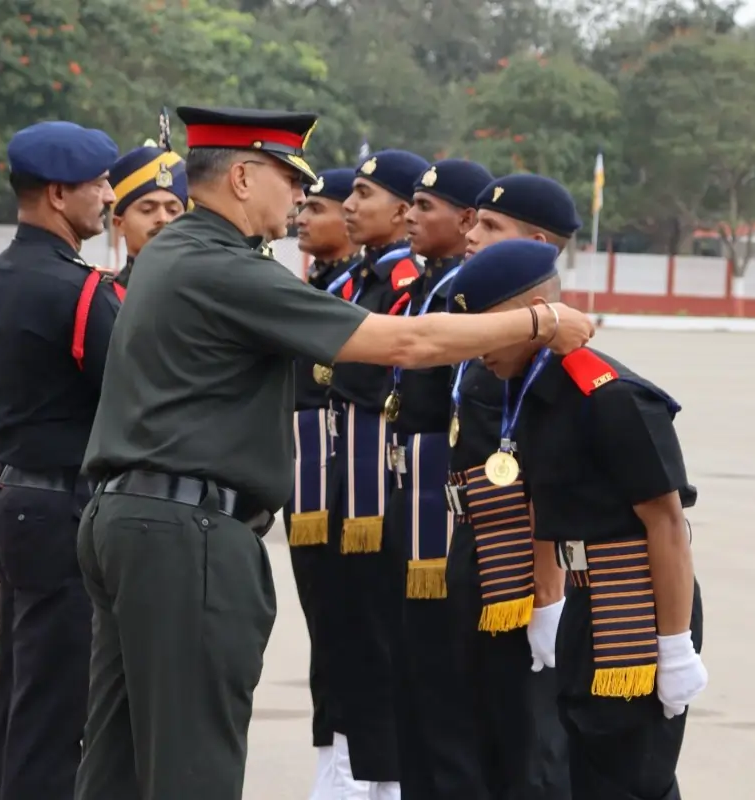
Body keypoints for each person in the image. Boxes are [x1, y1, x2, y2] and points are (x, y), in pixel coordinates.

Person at [73, 105, 596, 800]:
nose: (300, 195)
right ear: (241, 178)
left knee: (117, 765)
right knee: (190, 768)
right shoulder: (224, 266)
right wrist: (540, 320)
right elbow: (402, 343)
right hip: (183, 535)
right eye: (289, 179)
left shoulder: (174, 252)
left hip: (134, 521)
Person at [447, 238, 707, 800]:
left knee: (632, 780)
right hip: (583, 597)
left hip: (636, 603)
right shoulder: (532, 392)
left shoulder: (608, 397)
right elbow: (542, 504)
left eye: (487, 326)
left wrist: (675, 646)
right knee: (584, 768)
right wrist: (549, 605)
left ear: (534, 315)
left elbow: (666, 525)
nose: (477, 345)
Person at [0, 120, 120, 800]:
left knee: (20, 700)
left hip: (14, 497)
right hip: (62, 508)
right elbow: (133, 394)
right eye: (100, 183)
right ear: (59, 194)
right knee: (56, 717)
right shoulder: (79, 290)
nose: (109, 195)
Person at [445, 173, 584, 800]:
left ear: (536, 247)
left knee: (533, 743)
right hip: (477, 544)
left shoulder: (553, 365)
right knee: (485, 729)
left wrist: (549, 601)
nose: (472, 234)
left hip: (525, 569)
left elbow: (551, 489)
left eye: (491, 226)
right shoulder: (491, 344)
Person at [384, 157, 494, 800]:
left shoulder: (467, 296)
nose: (412, 215)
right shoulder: (434, 283)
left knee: (447, 685)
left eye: (426, 206)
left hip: (450, 508)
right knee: (414, 673)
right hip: (414, 493)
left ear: (465, 218)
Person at [326, 147, 428, 799]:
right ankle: (355, 776)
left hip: (393, 486)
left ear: (401, 210)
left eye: (365, 194)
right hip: (351, 476)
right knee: (353, 636)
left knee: (390, 641)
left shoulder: (404, 285)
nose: (349, 206)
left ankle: (384, 781)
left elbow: (373, 379)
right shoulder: (361, 277)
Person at [284, 166, 362, 798]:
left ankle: (355, 772)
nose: (302, 217)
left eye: (318, 207)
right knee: (328, 634)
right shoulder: (322, 283)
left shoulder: (369, 287)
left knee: (356, 637)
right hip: (312, 483)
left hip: (356, 489)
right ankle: (333, 766)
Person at [108, 111, 189, 289]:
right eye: (147, 210)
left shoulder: (206, 295)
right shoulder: (103, 297)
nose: (163, 218)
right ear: (119, 224)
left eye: (173, 211)